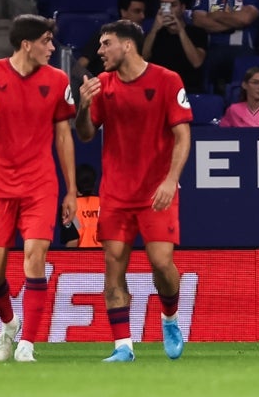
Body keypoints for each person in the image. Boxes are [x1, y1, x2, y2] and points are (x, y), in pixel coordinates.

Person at [76, 19, 193, 362]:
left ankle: (170, 318)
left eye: (105, 43)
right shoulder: (102, 86)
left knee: (161, 263)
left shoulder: (167, 80)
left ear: (127, 45)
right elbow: (84, 134)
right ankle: (123, 345)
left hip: (156, 191)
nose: (99, 51)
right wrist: (83, 107)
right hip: (115, 194)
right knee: (114, 266)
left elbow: (183, 135)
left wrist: (171, 179)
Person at [0, 15, 77, 363]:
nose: (52, 47)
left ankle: (27, 342)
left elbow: (63, 136)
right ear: (27, 44)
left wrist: (71, 189)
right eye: (46, 41)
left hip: (39, 185)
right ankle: (10, 326)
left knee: (35, 259)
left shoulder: (58, 80)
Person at [143, 0, 208, 93]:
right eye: (164, 6)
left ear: (182, 8)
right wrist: (154, 30)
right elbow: (143, 58)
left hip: (187, 88)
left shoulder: (197, 32)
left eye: (173, 5)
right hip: (158, 88)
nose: (168, 10)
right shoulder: (153, 34)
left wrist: (181, 31)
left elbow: (197, 62)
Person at [75, 0, 147, 78]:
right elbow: (80, 65)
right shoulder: (106, 34)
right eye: (137, 11)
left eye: (143, 12)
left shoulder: (141, 37)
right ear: (123, 12)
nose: (142, 16)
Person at [60, 164, 100, 248]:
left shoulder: (68, 208)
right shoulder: (106, 205)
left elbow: (72, 242)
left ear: (74, 184)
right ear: (94, 183)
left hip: (80, 259)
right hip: (105, 258)